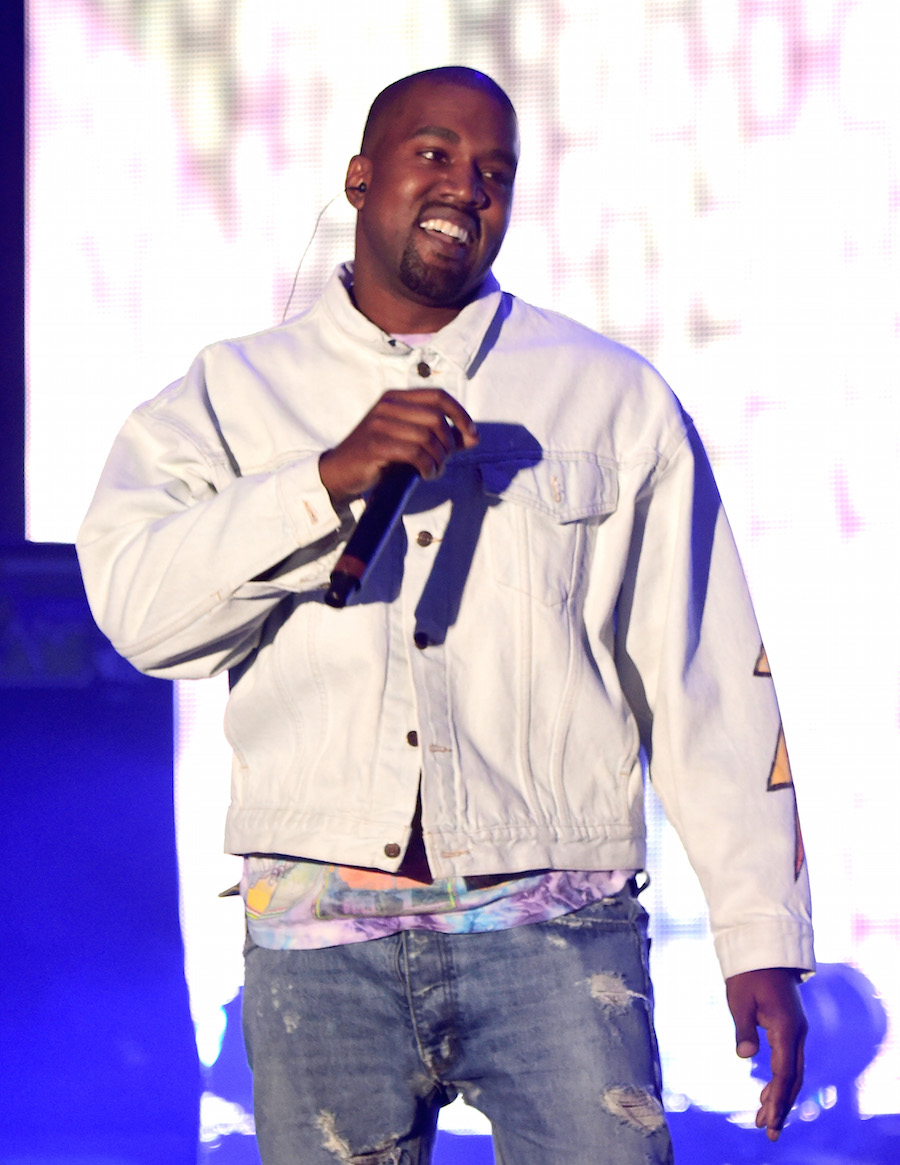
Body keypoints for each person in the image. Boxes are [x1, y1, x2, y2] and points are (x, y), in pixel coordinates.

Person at [77, 67, 813, 1164]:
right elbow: (140, 612)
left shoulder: (609, 395)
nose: (466, 187)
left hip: (555, 924)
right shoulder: (234, 394)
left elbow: (704, 672)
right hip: (319, 938)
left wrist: (762, 935)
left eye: (496, 173)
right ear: (361, 178)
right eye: (435, 155)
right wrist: (321, 479)